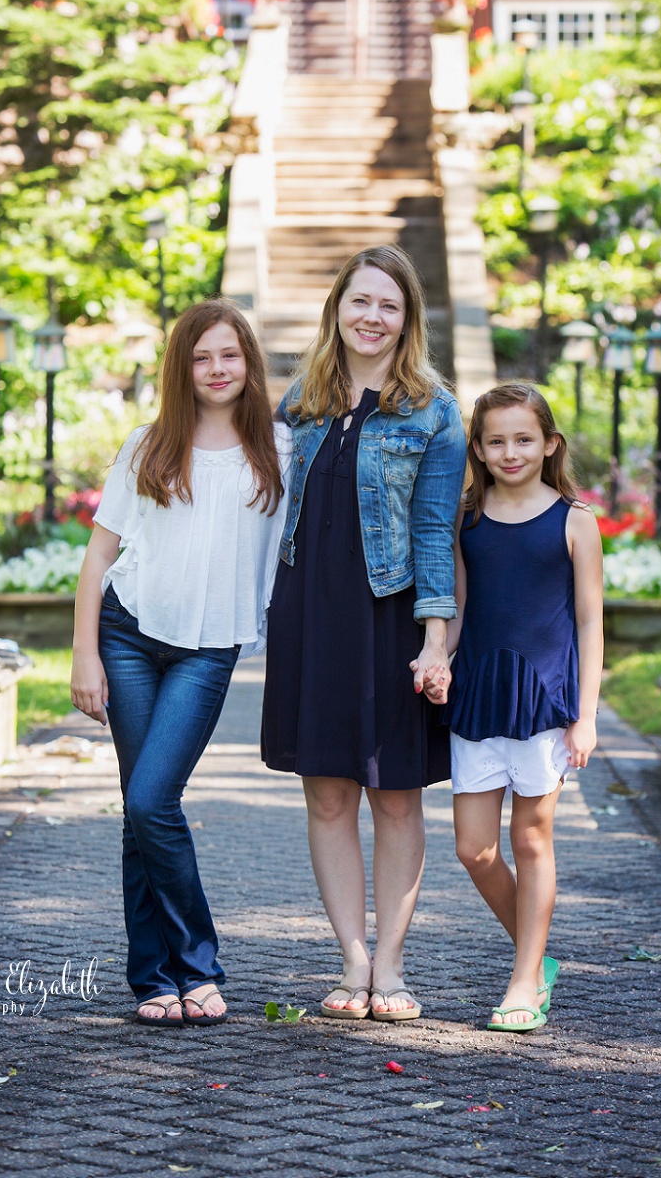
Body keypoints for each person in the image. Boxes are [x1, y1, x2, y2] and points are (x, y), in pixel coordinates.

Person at [261, 244, 467, 1022]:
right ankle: (350, 962)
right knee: (327, 794)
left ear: (407, 318)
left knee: (397, 799)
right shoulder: (301, 402)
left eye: (389, 305)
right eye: (360, 301)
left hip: (392, 620)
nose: (372, 317)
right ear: (337, 309)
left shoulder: (435, 411)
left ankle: (392, 967)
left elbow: (435, 534)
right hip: (312, 617)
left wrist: (436, 641)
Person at [71, 299, 290, 1028]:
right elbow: (99, 557)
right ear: (182, 368)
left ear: (249, 362)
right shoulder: (149, 446)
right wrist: (83, 657)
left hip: (208, 647)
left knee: (148, 802)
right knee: (143, 809)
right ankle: (162, 978)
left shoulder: (281, 453)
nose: (217, 369)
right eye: (202, 357)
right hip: (128, 634)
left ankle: (190, 966)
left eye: (229, 355)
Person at [432, 382, 603, 1032]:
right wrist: (438, 658)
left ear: (549, 444)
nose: (511, 451)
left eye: (524, 439)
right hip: (479, 694)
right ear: (478, 447)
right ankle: (537, 954)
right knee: (474, 849)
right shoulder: (467, 518)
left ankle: (525, 978)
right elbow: (460, 605)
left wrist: (585, 714)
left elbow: (590, 621)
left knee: (531, 839)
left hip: (544, 701)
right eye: (496, 440)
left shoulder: (573, 519)